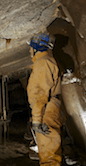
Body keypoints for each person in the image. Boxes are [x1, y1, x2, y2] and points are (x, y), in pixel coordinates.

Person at [27, 33, 64, 165]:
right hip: (50, 108)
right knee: (51, 150)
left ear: (36, 48)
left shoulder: (43, 63)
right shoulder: (46, 60)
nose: (29, 51)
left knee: (49, 154)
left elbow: (39, 93)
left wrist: (36, 120)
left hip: (46, 111)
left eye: (31, 48)